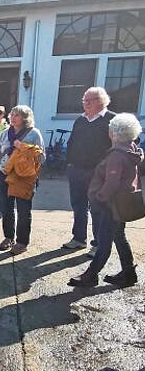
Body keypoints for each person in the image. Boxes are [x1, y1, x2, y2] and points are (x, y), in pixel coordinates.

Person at [68, 113, 142, 287]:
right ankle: (129, 273)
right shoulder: (131, 149)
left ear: (115, 133)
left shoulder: (116, 155)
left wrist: (99, 197)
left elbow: (112, 182)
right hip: (122, 203)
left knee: (104, 241)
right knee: (119, 236)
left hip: (110, 204)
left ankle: (91, 275)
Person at [63, 87, 115, 258]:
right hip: (77, 169)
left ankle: (98, 244)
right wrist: (69, 163)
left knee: (97, 209)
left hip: (98, 173)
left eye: (89, 100)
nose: (85, 103)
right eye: (84, 100)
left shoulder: (112, 120)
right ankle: (79, 239)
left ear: (101, 101)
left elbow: (127, 142)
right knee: (78, 205)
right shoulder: (80, 120)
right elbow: (71, 142)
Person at [0, 105, 45, 255]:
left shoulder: (34, 134)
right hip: (4, 174)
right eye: (12, 115)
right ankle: (9, 237)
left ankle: (22, 242)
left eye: (17, 115)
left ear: (25, 118)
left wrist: (23, 147)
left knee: (23, 210)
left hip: (24, 177)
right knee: (6, 208)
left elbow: (42, 158)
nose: (13, 118)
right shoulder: (4, 134)